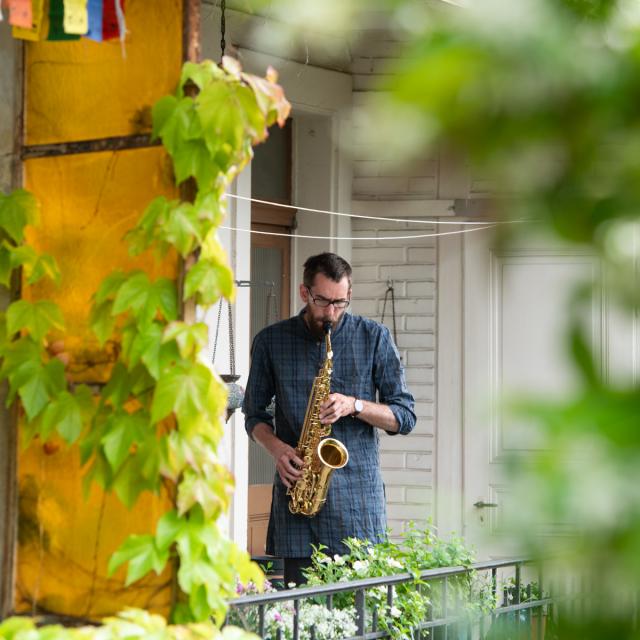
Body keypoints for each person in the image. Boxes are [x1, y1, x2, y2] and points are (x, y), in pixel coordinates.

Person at [242, 252, 416, 587]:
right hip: (298, 501)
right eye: (323, 302)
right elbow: (254, 416)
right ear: (305, 293)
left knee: (362, 618)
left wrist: (356, 405)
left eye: (341, 303)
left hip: (358, 505)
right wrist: (278, 450)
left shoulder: (374, 337)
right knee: (301, 615)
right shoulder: (271, 341)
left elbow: (404, 416)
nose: (332, 313)